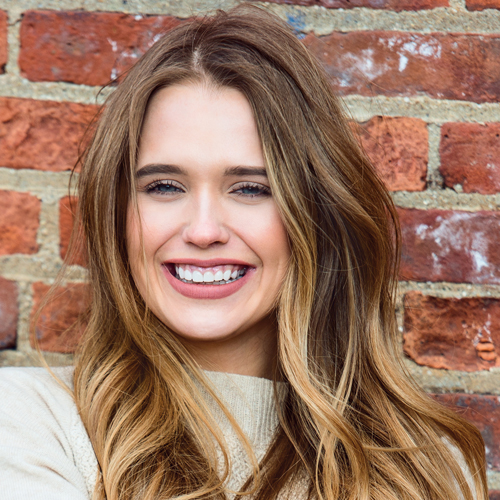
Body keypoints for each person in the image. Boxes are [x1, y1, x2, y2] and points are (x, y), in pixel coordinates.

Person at [0, 4, 488, 500]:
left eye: (251, 189)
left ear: (317, 212)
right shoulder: (30, 422)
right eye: (165, 186)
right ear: (118, 213)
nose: (204, 229)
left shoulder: (424, 466)